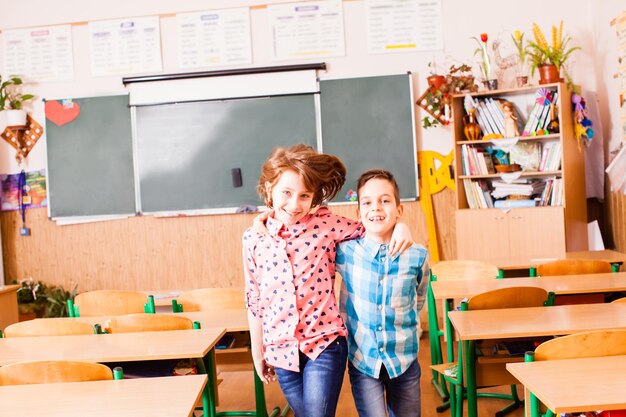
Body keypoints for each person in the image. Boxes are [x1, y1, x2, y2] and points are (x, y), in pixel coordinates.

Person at [242, 145, 413, 417]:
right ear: (269, 189)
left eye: (304, 195)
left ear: (314, 197)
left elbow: (371, 227)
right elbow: (254, 300)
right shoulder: (254, 238)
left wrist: (402, 226)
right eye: (286, 193)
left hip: (325, 343)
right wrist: (257, 350)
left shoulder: (325, 224)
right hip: (281, 349)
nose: (295, 204)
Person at [335, 169, 429, 417]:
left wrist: (402, 227)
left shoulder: (417, 255)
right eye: (367, 202)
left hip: (404, 360)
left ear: (399, 210)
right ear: (358, 214)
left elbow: (418, 298)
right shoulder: (346, 252)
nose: (376, 208)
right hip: (363, 361)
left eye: (385, 201)